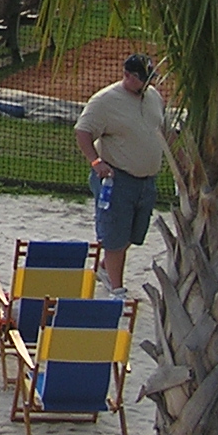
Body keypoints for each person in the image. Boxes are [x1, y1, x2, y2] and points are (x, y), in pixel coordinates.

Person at [75, 52, 167, 297]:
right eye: (143, 79)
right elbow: (83, 132)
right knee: (115, 235)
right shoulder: (105, 101)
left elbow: (164, 129)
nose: (149, 84)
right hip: (117, 179)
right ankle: (116, 287)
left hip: (146, 180)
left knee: (135, 234)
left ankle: (106, 266)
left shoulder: (153, 98)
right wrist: (95, 162)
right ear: (128, 76)